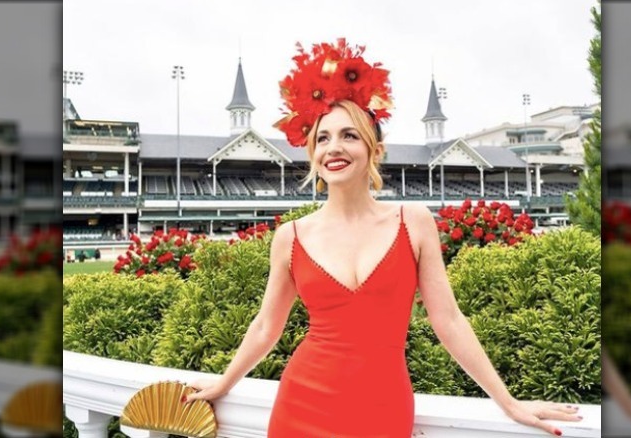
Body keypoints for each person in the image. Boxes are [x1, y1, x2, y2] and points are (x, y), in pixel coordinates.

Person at [184, 39, 582, 437]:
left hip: (382, 406)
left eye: (349, 136)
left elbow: (449, 320)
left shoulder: (415, 221)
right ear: (311, 152)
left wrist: (508, 402)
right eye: (322, 138)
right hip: (301, 404)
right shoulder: (290, 236)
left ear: (374, 149)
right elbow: (266, 327)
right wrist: (223, 383)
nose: (334, 148)